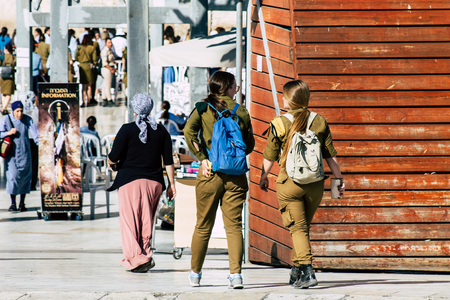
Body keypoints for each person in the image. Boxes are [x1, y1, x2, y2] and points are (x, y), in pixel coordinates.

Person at [259, 80, 345, 289]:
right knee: (302, 228)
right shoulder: (320, 121)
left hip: (290, 183)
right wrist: (339, 180)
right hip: (315, 183)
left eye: (284, 96)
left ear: (290, 99)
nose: (281, 99)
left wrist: (263, 176)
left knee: (298, 229)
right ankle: (296, 269)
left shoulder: (279, 122)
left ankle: (307, 271)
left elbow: (269, 155)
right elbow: (329, 155)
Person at [183, 71, 255, 288]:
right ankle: (236, 276)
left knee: (203, 225)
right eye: (235, 86)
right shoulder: (241, 111)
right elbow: (249, 145)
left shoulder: (202, 108)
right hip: (235, 176)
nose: (237, 89)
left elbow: (189, 132)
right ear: (229, 88)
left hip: (209, 173)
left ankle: (195, 274)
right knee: (234, 227)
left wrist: (202, 158)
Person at [107, 93, 176, 273]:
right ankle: (145, 253)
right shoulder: (161, 130)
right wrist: (172, 185)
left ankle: (137, 258)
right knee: (147, 221)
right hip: (154, 183)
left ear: (134, 109)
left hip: (130, 181)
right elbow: (168, 161)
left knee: (130, 222)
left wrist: (110, 163)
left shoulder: (127, 129)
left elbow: (114, 157)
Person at [0, 101, 39, 211]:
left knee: (25, 177)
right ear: (13, 111)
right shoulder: (6, 120)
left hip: (25, 153)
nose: (20, 113)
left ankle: (22, 203)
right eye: (17, 111)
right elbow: (0, 133)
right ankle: (13, 203)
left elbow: (35, 135)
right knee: (13, 177)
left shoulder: (27, 119)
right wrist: (8, 133)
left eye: (21, 111)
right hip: (11, 155)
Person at [75, 35, 98, 107]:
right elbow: (94, 59)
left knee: (83, 85)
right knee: (89, 85)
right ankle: (88, 101)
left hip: (81, 66)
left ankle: (82, 101)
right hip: (89, 66)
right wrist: (94, 64)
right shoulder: (92, 48)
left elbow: (76, 57)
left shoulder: (79, 48)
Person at [100, 38, 116, 106]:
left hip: (110, 68)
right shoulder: (104, 51)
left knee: (105, 85)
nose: (110, 44)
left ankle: (104, 98)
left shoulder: (110, 50)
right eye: (109, 42)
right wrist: (111, 69)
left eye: (111, 42)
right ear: (105, 43)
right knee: (108, 85)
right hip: (107, 69)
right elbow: (105, 62)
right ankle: (109, 99)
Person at [1, 44, 16, 115]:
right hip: (10, 77)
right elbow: (15, 64)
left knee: (4, 93)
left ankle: (4, 108)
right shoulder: (13, 57)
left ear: (6, 49)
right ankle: (4, 108)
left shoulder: (2, 57)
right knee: (9, 94)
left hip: (2, 76)